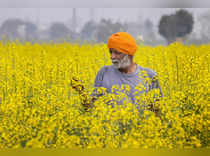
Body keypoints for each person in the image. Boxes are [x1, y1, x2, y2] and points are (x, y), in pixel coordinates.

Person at [71, 32, 162, 116]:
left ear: (129, 54)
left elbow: (157, 112)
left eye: (117, 53)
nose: (112, 56)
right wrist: (81, 92)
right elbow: (91, 110)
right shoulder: (104, 73)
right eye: (110, 52)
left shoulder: (149, 75)